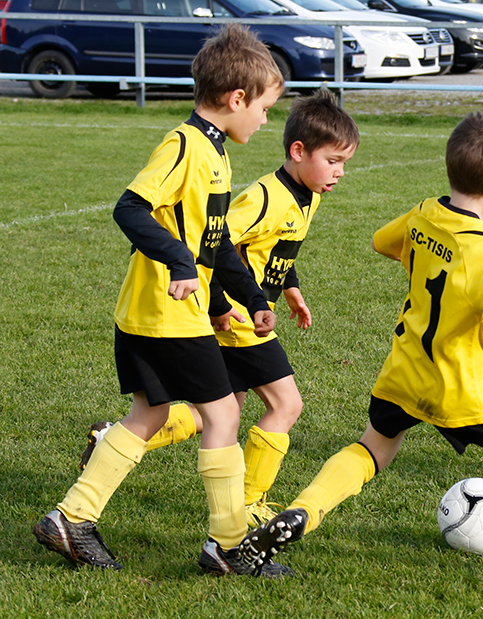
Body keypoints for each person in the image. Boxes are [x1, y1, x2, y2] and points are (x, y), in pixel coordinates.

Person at [239, 112, 483, 580]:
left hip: (403, 369)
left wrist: (424, 257)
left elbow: (382, 241)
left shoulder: (425, 214)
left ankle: (303, 512)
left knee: (372, 449)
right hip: (458, 385)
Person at [33, 24, 291, 578]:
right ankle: (227, 545)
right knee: (223, 413)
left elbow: (213, 243)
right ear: (236, 98)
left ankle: (71, 518)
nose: (266, 120)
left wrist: (247, 297)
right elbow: (130, 208)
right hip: (166, 312)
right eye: (265, 108)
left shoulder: (215, 152)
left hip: (160, 311)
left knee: (148, 414)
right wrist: (178, 262)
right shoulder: (185, 145)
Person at [79, 88, 360, 531]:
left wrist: (289, 287)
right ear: (298, 152)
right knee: (286, 404)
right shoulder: (265, 195)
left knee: (213, 412)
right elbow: (217, 241)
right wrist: (219, 302)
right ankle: (246, 505)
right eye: (333, 161)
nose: (340, 172)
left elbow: (275, 248)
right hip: (234, 318)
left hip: (241, 309)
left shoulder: (307, 194)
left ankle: (110, 439)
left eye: (345, 163)